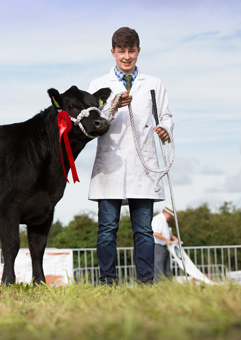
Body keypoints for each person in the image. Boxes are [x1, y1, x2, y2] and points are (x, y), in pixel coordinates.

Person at [88, 27, 174, 285]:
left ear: (138, 51)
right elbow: (91, 122)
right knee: (107, 230)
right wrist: (113, 106)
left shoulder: (154, 84)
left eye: (132, 51)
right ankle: (107, 282)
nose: (127, 56)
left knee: (144, 231)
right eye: (121, 51)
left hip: (143, 164)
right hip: (110, 166)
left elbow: (166, 115)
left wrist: (165, 130)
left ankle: (146, 283)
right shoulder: (97, 85)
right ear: (112, 52)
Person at [152, 204, 178, 283]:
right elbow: (155, 233)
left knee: (166, 267)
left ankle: (168, 285)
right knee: (159, 268)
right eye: (171, 215)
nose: (171, 217)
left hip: (163, 247)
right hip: (158, 246)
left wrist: (173, 237)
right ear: (167, 212)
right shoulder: (158, 219)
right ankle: (159, 285)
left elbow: (166, 232)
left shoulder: (163, 221)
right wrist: (167, 240)